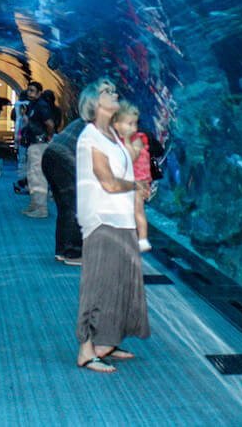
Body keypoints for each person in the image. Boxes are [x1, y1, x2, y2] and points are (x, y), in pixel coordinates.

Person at [74, 88, 151, 373]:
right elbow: (107, 182)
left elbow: (127, 169)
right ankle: (86, 349)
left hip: (122, 219)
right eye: (108, 91)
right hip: (102, 221)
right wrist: (136, 187)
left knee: (120, 284)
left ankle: (107, 341)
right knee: (98, 286)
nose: (114, 92)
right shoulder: (90, 137)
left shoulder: (115, 136)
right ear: (95, 104)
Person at [43, 79, 111, 264]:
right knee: (76, 204)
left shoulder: (85, 122)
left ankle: (63, 250)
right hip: (64, 157)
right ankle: (73, 252)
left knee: (66, 205)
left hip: (52, 154)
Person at [112, 102, 153, 252]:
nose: (133, 128)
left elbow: (130, 157)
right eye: (129, 124)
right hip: (124, 181)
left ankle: (143, 239)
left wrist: (127, 139)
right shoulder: (114, 139)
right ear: (116, 124)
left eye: (135, 124)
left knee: (137, 209)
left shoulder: (137, 138)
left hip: (138, 181)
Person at [21, 87, 57, 218]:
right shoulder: (32, 105)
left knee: (38, 175)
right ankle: (34, 204)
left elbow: (50, 123)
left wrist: (49, 136)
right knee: (31, 175)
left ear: (39, 92)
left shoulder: (41, 106)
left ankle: (41, 208)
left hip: (39, 143)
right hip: (32, 143)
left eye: (32, 90)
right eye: (28, 90)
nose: (29, 92)